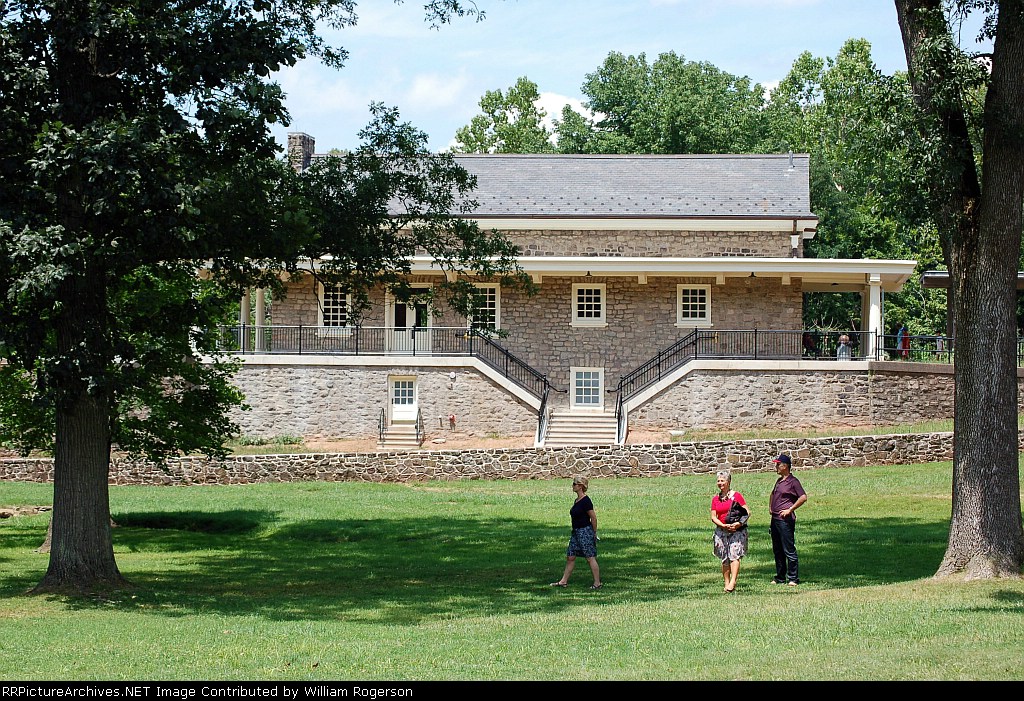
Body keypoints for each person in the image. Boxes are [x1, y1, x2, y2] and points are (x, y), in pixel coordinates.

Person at [550, 475, 602, 589]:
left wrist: (593, 533)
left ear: (580, 486)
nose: (572, 486)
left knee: (590, 557)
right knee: (570, 556)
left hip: (585, 532)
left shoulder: (586, 501)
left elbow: (593, 518)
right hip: (576, 532)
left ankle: (597, 583)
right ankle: (563, 581)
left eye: (574, 484)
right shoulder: (577, 500)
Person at [769, 453, 807, 586]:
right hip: (775, 519)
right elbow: (772, 494)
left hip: (785, 520)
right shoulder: (779, 481)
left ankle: (793, 578)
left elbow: (803, 497)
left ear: (785, 466)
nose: (776, 467)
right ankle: (780, 577)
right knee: (777, 549)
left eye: (778, 464)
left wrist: (790, 510)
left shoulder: (793, 482)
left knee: (788, 549)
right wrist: (770, 507)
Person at [710, 469, 750, 593]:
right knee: (724, 557)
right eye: (718, 481)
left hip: (736, 530)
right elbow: (713, 516)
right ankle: (726, 582)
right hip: (722, 530)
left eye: (723, 481)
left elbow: (747, 512)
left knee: (734, 555)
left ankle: (733, 581)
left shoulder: (736, 496)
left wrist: (737, 524)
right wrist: (723, 525)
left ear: (729, 482)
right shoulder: (715, 499)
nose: (720, 483)